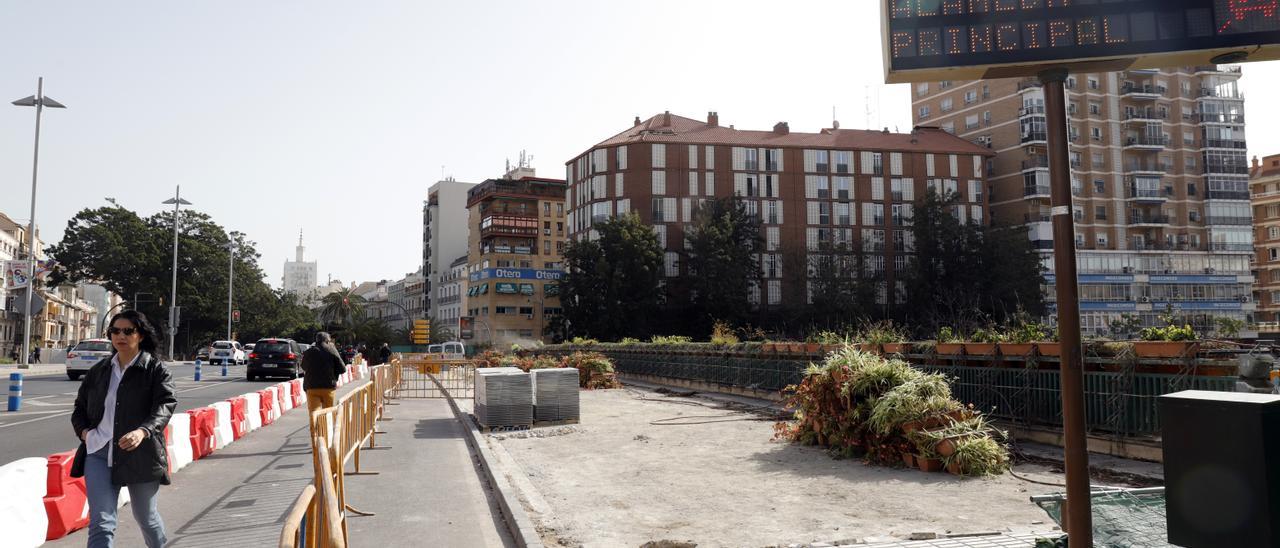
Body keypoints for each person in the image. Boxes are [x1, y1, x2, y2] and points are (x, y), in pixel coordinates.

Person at [71, 310, 176, 548]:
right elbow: (79, 408)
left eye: (128, 331)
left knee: (146, 518)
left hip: (140, 454)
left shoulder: (155, 370)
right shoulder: (99, 371)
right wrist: (85, 433)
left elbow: (166, 404)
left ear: (140, 335)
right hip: (98, 451)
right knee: (101, 521)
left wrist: (143, 431)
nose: (121, 335)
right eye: (115, 331)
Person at [301, 332, 347, 416]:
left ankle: (315, 429)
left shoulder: (309, 352)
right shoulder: (331, 350)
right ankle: (327, 429)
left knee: (314, 413)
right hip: (328, 387)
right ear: (327, 341)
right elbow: (342, 369)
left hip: (311, 387)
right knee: (328, 414)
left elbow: (303, 367)